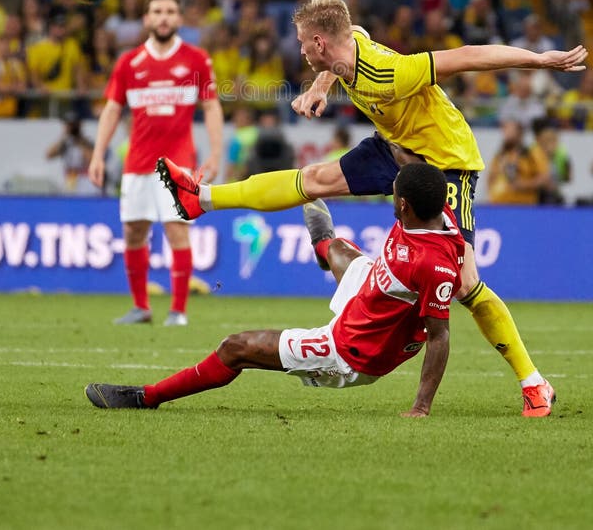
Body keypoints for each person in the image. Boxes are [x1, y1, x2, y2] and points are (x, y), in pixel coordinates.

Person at [157, 0, 587, 414]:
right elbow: (350, 39)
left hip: (445, 164)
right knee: (315, 180)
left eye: (305, 43)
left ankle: (534, 383)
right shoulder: (348, 44)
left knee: (465, 284)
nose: (302, 51)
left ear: (320, 43)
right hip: (396, 146)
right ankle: (202, 199)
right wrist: (321, 87)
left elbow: (469, 55)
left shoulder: (390, 71)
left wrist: (541, 60)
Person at [85, 163, 469, 417]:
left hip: (351, 349)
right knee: (338, 248)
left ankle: (146, 397)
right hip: (373, 292)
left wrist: (421, 407)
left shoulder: (428, 263)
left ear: (403, 204)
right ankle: (323, 246)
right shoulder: (437, 212)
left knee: (236, 348)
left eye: (393, 196)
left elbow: (439, 336)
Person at [88, 0, 224, 327]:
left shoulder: (196, 59)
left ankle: (178, 312)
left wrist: (216, 153)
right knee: (133, 232)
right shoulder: (129, 62)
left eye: (170, 11)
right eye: (157, 11)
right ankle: (141, 308)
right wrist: (98, 154)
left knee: (177, 233)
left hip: (177, 164)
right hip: (137, 164)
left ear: (179, 18)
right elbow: (112, 110)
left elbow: (211, 107)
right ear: (147, 19)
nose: (163, 17)